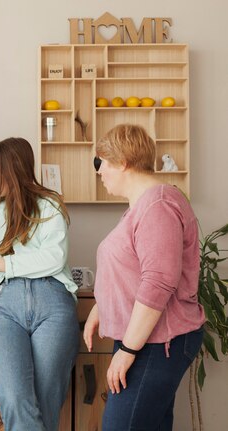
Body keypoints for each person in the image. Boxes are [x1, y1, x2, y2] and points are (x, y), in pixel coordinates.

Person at [83, 124, 204, 430]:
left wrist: (128, 351)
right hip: (144, 338)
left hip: (155, 341)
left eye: (101, 162)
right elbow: (132, 269)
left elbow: (159, 281)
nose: (99, 171)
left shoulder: (158, 206)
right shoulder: (144, 206)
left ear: (122, 161)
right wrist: (102, 306)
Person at [0, 137, 79, 431]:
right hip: (5, 306)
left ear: (15, 168)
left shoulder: (50, 205)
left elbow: (54, 257)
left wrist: (2, 263)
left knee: (45, 400)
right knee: (12, 396)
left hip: (53, 302)